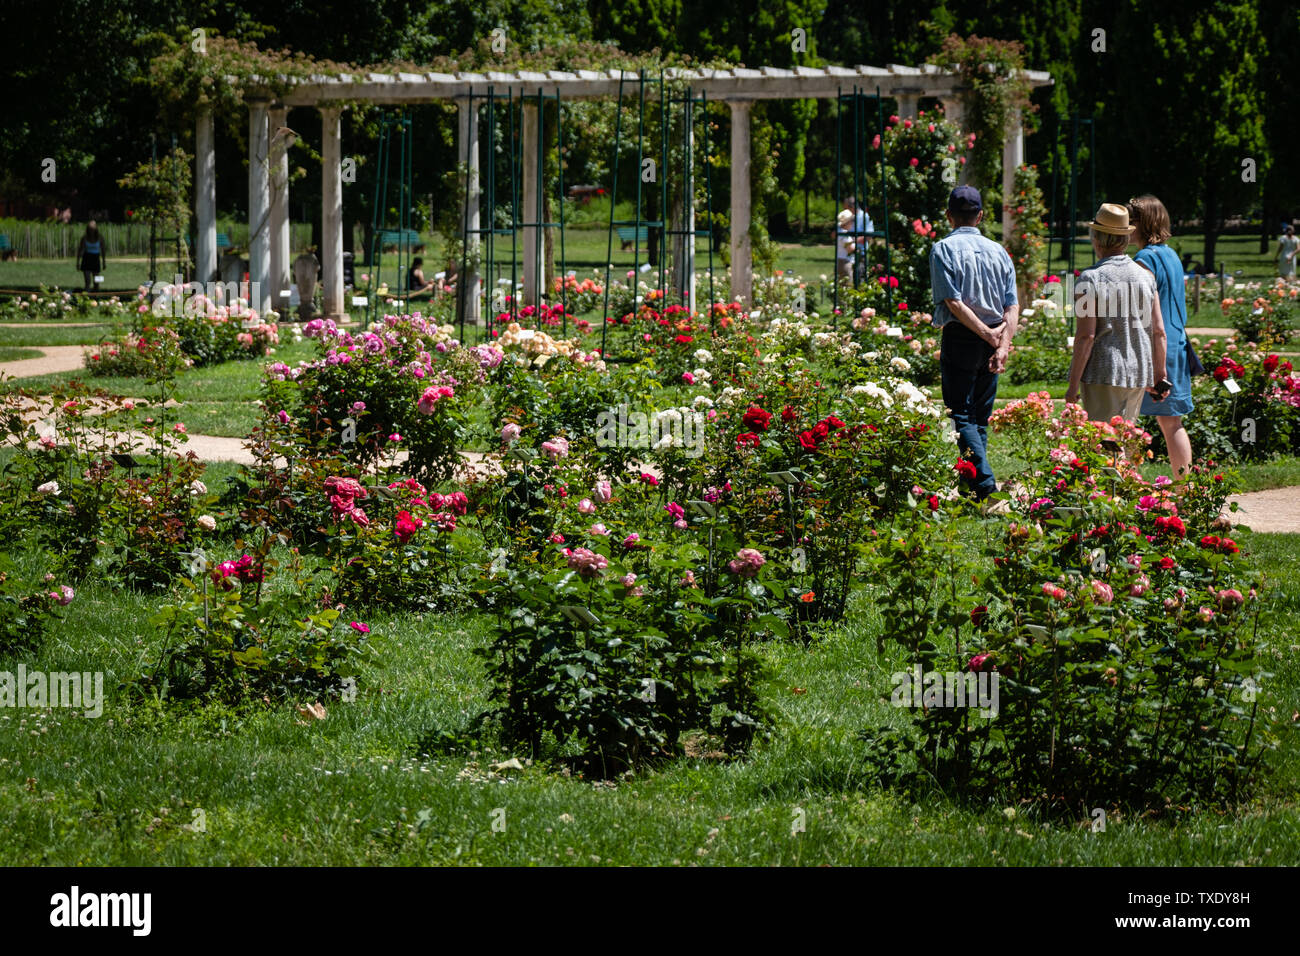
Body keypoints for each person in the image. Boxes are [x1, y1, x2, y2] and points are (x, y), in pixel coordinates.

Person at [929, 185, 1020, 500]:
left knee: (961, 414)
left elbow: (953, 303)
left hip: (965, 336)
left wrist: (988, 334)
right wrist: (1001, 343)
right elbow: (1012, 305)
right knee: (979, 415)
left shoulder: (943, 248)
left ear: (948, 215)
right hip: (994, 335)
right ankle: (973, 487)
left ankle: (984, 486)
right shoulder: (999, 251)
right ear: (980, 215)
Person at [1065, 203, 1167, 428]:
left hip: (1104, 372)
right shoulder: (1146, 277)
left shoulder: (1090, 279)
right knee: (1126, 443)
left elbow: (1085, 337)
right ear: (1124, 239)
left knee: (1103, 445)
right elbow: (1159, 331)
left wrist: (1072, 387)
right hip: (1139, 370)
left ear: (1097, 238)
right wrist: (1160, 373)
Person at [1129, 195, 1194, 477]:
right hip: (1177, 344)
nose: (1126, 227)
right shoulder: (1171, 254)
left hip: (1153, 348)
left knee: (1125, 421)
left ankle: (1126, 487)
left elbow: (1141, 312)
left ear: (1141, 224)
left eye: (1130, 221)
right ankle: (1185, 487)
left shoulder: (1143, 260)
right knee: (1172, 422)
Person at [75, 221, 105, 292]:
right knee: (87, 281)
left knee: (97, 281)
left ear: (96, 229)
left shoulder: (100, 238)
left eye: (93, 230)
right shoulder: (84, 238)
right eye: (90, 230)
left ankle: (96, 297)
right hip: (86, 259)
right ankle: (87, 297)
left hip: (96, 259)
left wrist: (104, 262)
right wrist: (78, 262)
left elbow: (103, 251)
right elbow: (80, 250)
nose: (91, 231)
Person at [834, 209, 855, 282]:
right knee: (848, 285)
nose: (852, 223)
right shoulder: (845, 235)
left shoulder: (839, 231)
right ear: (847, 222)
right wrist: (856, 246)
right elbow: (849, 249)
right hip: (846, 262)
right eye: (852, 221)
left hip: (839, 260)